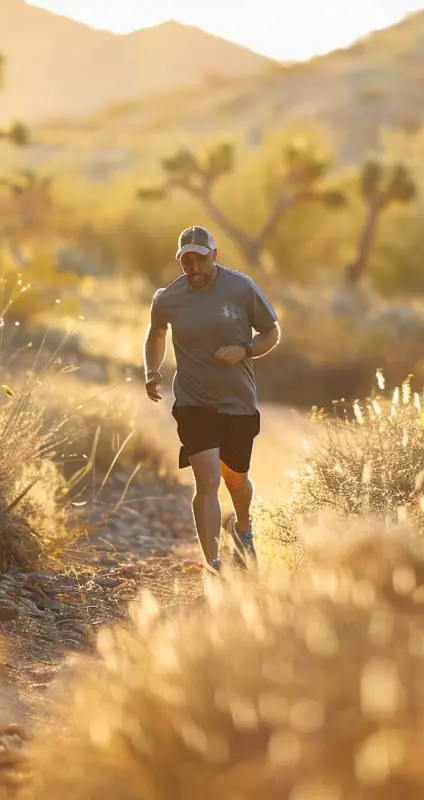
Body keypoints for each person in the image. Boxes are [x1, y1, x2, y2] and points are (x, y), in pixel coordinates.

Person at [143, 225, 281, 575]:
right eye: (186, 261)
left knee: (237, 481)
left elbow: (271, 332)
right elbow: (156, 334)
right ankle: (214, 563)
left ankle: (243, 530)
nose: (193, 268)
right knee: (207, 480)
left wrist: (245, 350)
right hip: (193, 401)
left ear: (214, 256)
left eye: (200, 259)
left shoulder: (241, 287)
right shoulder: (167, 298)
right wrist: (152, 371)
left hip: (238, 403)